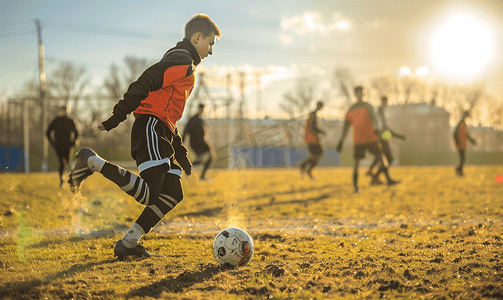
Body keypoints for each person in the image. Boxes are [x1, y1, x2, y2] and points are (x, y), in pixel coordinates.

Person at [67, 14, 220, 260]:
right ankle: (92, 162)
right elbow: (145, 81)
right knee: (150, 193)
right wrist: (118, 115)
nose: (211, 51)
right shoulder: (181, 60)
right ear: (197, 37)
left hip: (161, 131)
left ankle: (129, 243)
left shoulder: (186, 68)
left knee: (173, 193)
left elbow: (171, 119)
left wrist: (182, 157)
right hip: (150, 128)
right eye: (210, 43)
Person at [336, 86, 399, 193]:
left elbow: (374, 119)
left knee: (382, 158)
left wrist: (376, 129)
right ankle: (355, 187)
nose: (360, 94)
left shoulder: (368, 106)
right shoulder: (351, 109)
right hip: (358, 140)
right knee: (356, 163)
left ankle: (388, 179)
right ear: (355, 94)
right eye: (358, 93)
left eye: (361, 92)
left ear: (363, 93)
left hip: (371, 138)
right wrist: (341, 140)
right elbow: (346, 126)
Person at [366, 96, 406, 183]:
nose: (385, 104)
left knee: (384, 158)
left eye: (386, 102)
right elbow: (380, 128)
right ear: (382, 102)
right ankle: (381, 178)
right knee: (388, 159)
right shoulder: (379, 113)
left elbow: (387, 129)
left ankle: (374, 176)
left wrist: (398, 136)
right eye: (384, 102)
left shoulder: (383, 113)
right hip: (381, 140)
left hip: (383, 139)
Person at [46, 105, 79, 187]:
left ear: (68, 111)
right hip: (58, 146)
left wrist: (74, 142)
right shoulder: (56, 121)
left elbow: (77, 133)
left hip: (68, 145)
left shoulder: (70, 121)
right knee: (61, 162)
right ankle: (62, 179)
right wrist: (52, 142)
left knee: (67, 162)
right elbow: (48, 132)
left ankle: (70, 178)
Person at [182, 103, 215, 181]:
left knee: (210, 156)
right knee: (201, 159)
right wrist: (182, 142)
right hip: (195, 143)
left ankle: (201, 175)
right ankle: (188, 170)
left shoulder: (201, 119)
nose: (202, 110)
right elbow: (186, 130)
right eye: (201, 109)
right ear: (199, 109)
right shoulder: (193, 119)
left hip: (203, 143)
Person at [299, 101, 326, 179]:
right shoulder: (313, 115)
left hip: (313, 139)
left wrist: (318, 134)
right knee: (317, 154)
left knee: (317, 155)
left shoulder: (313, 115)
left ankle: (306, 168)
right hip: (312, 139)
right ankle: (305, 167)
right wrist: (320, 132)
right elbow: (312, 127)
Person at [453, 111, 476, 176]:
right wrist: (457, 143)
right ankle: (459, 171)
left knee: (462, 159)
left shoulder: (463, 124)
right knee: (462, 159)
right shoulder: (460, 124)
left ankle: (459, 171)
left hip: (463, 144)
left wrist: (472, 141)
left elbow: (466, 134)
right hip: (460, 145)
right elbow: (454, 134)